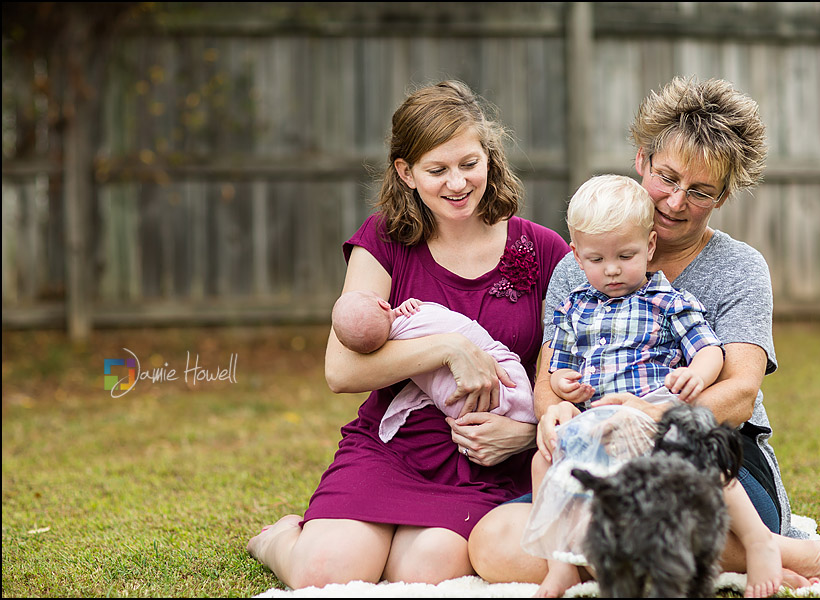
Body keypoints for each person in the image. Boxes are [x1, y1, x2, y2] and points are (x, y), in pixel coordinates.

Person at [468, 76, 820, 592]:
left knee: (663, 513)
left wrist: (653, 414)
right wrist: (554, 411)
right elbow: (549, 380)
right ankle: (714, 559)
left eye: (700, 191)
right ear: (642, 160)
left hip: (712, 454)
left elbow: (738, 394)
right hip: (601, 454)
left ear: (723, 195)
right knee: (491, 541)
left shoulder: (738, 267)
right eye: (668, 177)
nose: (675, 201)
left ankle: (790, 551)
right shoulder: (576, 267)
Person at [246, 80, 571, 589]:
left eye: (469, 163)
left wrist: (527, 436)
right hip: (390, 446)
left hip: (482, 455)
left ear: (489, 156)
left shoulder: (546, 251)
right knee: (323, 573)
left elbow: (576, 367)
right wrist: (448, 348)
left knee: (424, 575)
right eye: (437, 170)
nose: (457, 183)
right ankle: (279, 539)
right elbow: (341, 370)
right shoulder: (386, 239)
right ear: (407, 173)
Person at [521, 174, 782, 598]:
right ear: (576, 255)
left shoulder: (666, 300)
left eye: (626, 256)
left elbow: (710, 350)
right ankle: (561, 563)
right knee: (541, 462)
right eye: (596, 259)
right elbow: (557, 368)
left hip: (654, 410)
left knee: (697, 449)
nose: (611, 270)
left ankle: (759, 541)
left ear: (649, 247)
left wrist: (697, 372)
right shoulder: (574, 305)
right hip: (601, 421)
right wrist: (564, 388)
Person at [329, 290, 537, 443]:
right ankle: (527, 417)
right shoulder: (416, 317)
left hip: (457, 412)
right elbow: (438, 315)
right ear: (383, 304)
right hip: (495, 379)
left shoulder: (397, 348)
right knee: (510, 382)